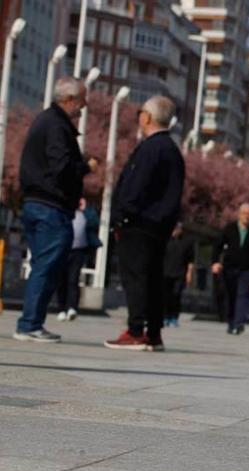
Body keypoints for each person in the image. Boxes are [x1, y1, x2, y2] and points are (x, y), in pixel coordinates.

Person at [14, 77, 97, 343]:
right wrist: (85, 167)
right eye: (82, 100)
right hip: (50, 206)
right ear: (69, 100)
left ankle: (31, 322)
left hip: (37, 203)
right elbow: (61, 167)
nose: (83, 107)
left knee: (43, 264)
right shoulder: (56, 126)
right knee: (47, 266)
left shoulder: (46, 121)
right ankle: (29, 324)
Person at [104, 95, 185, 352]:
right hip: (158, 226)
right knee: (152, 278)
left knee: (136, 277)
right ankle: (153, 332)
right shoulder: (171, 149)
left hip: (139, 224)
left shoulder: (151, 148)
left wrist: (123, 215)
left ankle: (136, 330)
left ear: (147, 117)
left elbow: (135, 187)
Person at [211, 203, 249, 335]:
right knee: (231, 296)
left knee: (243, 296)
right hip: (230, 268)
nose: (247, 217)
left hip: (248, 270)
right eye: (244, 213)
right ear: (239, 214)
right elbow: (217, 246)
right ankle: (231, 322)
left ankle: (238, 323)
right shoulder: (229, 228)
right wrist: (215, 262)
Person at [56, 198, 100, 322]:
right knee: (61, 280)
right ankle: (61, 308)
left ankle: (72, 307)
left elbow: (95, 222)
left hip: (79, 251)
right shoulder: (64, 211)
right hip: (64, 249)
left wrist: (85, 209)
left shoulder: (86, 213)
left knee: (73, 279)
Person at [162, 222, 194, 328]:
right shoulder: (165, 240)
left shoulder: (187, 241)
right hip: (165, 272)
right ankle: (165, 316)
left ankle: (174, 317)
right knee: (166, 296)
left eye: (178, 229)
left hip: (180, 273)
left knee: (176, 295)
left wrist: (189, 273)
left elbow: (190, 260)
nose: (176, 231)